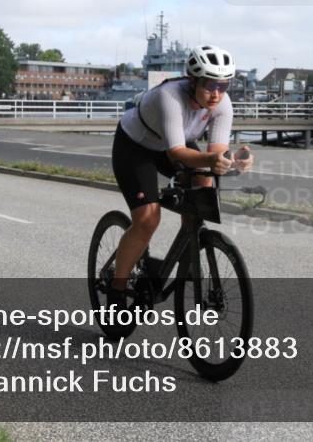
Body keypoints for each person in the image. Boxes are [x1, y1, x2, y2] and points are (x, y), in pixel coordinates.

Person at [108, 45, 253, 312]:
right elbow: (176, 152)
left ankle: (190, 249)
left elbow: (216, 153)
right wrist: (211, 161)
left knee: (204, 187)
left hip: (175, 146)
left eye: (224, 86)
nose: (217, 93)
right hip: (136, 146)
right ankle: (117, 287)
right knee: (148, 219)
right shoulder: (170, 96)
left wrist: (233, 162)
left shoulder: (222, 104)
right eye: (210, 85)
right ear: (193, 80)